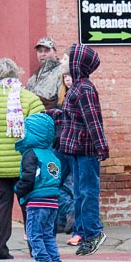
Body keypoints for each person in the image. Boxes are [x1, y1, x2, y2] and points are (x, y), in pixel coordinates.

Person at [47, 44, 108, 256]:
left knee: (87, 192)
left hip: (86, 151)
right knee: (79, 194)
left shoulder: (85, 89)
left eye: (65, 59)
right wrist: (48, 114)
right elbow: (68, 117)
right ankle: (85, 233)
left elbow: (93, 121)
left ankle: (93, 233)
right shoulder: (75, 88)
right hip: (74, 150)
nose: (62, 62)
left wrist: (101, 146)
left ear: (76, 64)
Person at [0, 58, 45, 260]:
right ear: (17, 74)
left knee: (0, 209)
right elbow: (42, 133)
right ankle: (36, 250)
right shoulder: (30, 99)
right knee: (31, 208)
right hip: (25, 165)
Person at [14, 113, 63, 262]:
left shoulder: (31, 154)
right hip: (53, 201)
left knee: (34, 234)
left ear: (33, 133)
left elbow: (28, 178)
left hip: (37, 201)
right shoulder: (52, 155)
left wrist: (18, 189)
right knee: (47, 234)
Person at [55, 71, 79, 245]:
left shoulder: (80, 93)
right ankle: (64, 221)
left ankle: (75, 223)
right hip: (61, 146)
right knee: (59, 183)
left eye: (70, 76)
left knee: (74, 186)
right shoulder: (62, 99)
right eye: (65, 77)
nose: (68, 79)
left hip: (75, 147)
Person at [26, 37, 63, 110]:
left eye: (47, 51)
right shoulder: (35, 76)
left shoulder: (61, 71)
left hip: (51, 117)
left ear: (55, 53)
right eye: (40, 51)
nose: (43, 54)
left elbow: (62, 101)